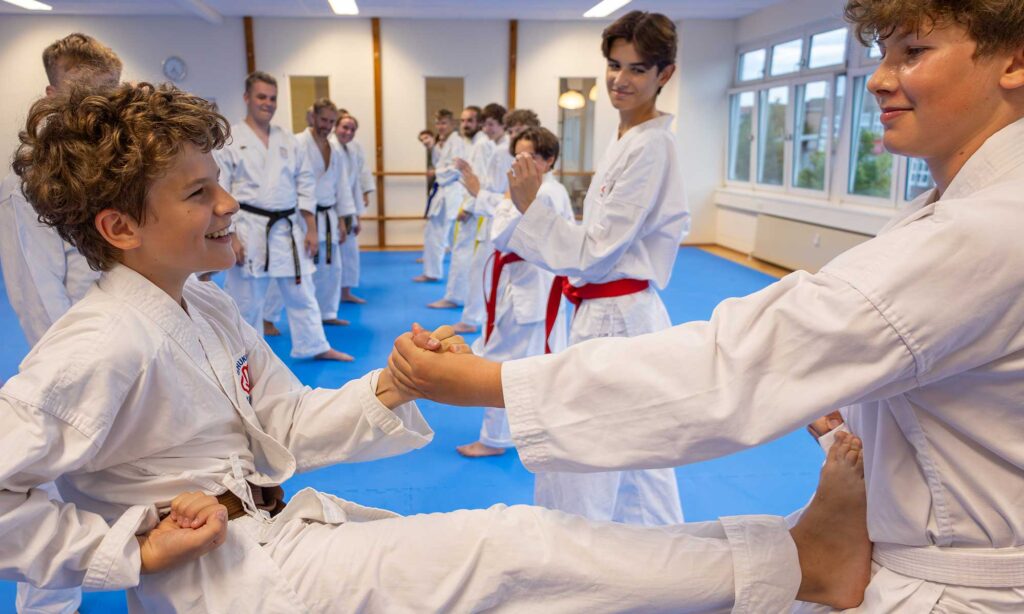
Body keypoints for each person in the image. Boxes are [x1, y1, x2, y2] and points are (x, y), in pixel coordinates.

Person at [0, 81, 872, 614]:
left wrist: (395, 381)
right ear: (120, 227)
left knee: (526, 565)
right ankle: (797, 560)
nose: (228, 205)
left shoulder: (203, 308)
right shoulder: (100, 342)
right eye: (199, 193)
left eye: (220, 182)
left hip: (277, 546)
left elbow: (287, 423)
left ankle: (788, 561)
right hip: (227, 582)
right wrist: (123, 547)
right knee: (515, 550)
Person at [391, 3, 1024, 610]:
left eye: (914, 52)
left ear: (1013, 62)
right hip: (918, 538)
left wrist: (496, 382)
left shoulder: (982, 231)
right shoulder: (949, 210)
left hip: (955, 583)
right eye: (882, 54)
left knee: (570, 497)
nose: (881, 80)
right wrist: (861, 403)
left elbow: (738, 361)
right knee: (643, 488)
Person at [497, 12, 689, 526]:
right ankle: (651, 559)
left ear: (664, 75)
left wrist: (533, 205)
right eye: (613, 65)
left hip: (619, 318)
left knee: (596, 447)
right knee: (632, 450)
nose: (620, 80)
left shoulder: (653, 146)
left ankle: (602, 552)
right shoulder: (628, 137)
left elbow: (599, 250)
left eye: (637, 69)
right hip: (605, 311)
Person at [0, 32, 123, 614]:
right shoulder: (27, 182)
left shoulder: (113, 159)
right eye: (84, 93)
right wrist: (85, 363)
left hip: (125, 340)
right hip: (71, 353)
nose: (99, 106)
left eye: (108, 93)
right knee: (56, 485)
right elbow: (37, 296)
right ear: (51, 94)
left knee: (126, 475)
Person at [456, 127, 572, 458]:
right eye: (517, 156)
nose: (521, 163)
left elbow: (501, 235)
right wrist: (496, 198)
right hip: (530, 287)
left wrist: (504, 201)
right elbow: (503, 213)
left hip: (528, 291)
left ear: (549, 160)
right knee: (534, 363)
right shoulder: (540, 189)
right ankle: (538, 428)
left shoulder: (545, 193)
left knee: (504, 364)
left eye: (531, 156)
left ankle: (493, 439)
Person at [216, 71, 348, 361]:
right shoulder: (232, 140)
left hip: (287, 228)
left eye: (273, 98)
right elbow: (221, 188)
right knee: (247, 299)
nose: (268, 103)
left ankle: (315, 345)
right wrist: (231, 235)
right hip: (249, 227)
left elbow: (305, 183)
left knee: (302, 291)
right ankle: (247, 355)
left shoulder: (288, 141)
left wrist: (311, 227)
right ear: (247, 98)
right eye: (262, 97)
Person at [453, 107, 539, 337]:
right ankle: (478, 318)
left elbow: (496, 190)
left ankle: (474, 319)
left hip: (503, 215)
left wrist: (476, 197)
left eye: (519, 130)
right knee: (487, 273)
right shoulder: (503, 151)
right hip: (498, 212)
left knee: (486, 271)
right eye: (513, 130)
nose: (515, 136)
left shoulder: (505, 152)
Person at [448, 103, 506, 334]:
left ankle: (471, 318)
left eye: (491, 124)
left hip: (489, 209)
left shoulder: (495, 148)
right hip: (488, 206)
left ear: (503, 124)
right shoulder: (492, 145)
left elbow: (489, 184)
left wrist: (472, 204)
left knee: (477, 267)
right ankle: (475, 316)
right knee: (481, 268)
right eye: (485, 124)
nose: (486, 128)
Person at [428, 106, 485, 310]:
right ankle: (455, 296)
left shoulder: (481, 145)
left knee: (464, 255)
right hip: (468, 201)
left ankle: (456, 299)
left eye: (469, 121)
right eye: (463, 120)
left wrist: (469, 207)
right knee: (461, 253)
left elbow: (480, 179)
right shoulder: (470, 143)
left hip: (474, 207)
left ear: (479, 123)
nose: (465, 125)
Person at [414, 109, 465, 283]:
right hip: (442, 192)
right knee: (435, 232)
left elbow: (457, 168)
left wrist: (437, 172)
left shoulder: (457, 142)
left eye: (444, 123)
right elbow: (439, 164)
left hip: (452, 192)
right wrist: (431, 148)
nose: (440, 127)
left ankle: (454, 276)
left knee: (452, 237)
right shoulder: (440, 143)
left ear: (452, 124)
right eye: (437, 123)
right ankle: (432, 272)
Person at [333, 113, 371, 305]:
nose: (348, 132)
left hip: (347, 209)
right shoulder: (331, 148)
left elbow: (354, 185)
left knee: (349, 254)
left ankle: (345, 292)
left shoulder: (351, 151)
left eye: (352, 129)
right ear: (335, 127)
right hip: (332, 210)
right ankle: (330, 299)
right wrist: (342, 216)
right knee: (332, 259)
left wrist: (356, 216)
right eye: (344, 127)